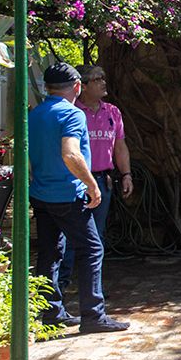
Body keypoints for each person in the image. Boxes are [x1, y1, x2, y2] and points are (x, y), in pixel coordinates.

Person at [29, 62, 129, 334]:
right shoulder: (72, 115)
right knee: (91, 249)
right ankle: (93, 316)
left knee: (50, 253)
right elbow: (71, 153)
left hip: (40, 194)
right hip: (67, 195)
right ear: (76, 87)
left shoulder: (35, 114)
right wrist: (91, 185)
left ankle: (51, 312)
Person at [58, 64, 132, 291]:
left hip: (102, 180)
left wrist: (126, 174)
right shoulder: (73, 112)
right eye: (97, 79)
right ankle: (64, 284)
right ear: (84, 85)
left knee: (96, 237)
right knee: (70, 237)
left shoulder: (112, 112)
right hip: (76, 182)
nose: (103, 82)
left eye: (103, 77)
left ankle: (92, 289)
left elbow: (120, 147)